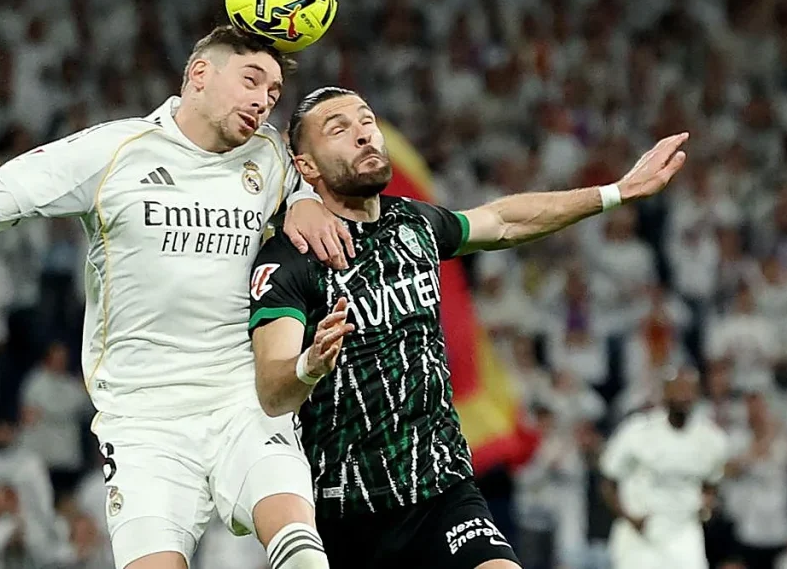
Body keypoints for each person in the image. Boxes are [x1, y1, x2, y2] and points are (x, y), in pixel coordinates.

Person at [0, 26, 353, 569]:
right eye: (251, 81)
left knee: (301, 548)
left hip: (242, 400)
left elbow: (335, 175)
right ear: (200, 74)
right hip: (143, 421)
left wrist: (305, 196)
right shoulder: (113, 152)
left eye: (273, 92)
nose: (263, 101)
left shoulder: (272, 158)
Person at [247, 86, 689, 569]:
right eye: (339, 129)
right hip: (347, 512)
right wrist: (310, 365)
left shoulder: (413, 224)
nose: (363, 135)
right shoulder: (290, 259)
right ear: (306, 166)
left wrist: (616, 192)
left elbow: (503, 221)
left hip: (443, 493)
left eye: (367, 121)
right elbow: (273, 391)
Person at [600, 367, 728, 569]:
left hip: (683, 532)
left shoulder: (711, 438)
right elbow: (608, 481)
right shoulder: (638, 431)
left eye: (688, 390)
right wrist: (628, 517)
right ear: (665, 393)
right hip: (639, 534)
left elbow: (712, 482)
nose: (683, 396)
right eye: (677, 389)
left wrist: (706, 508)